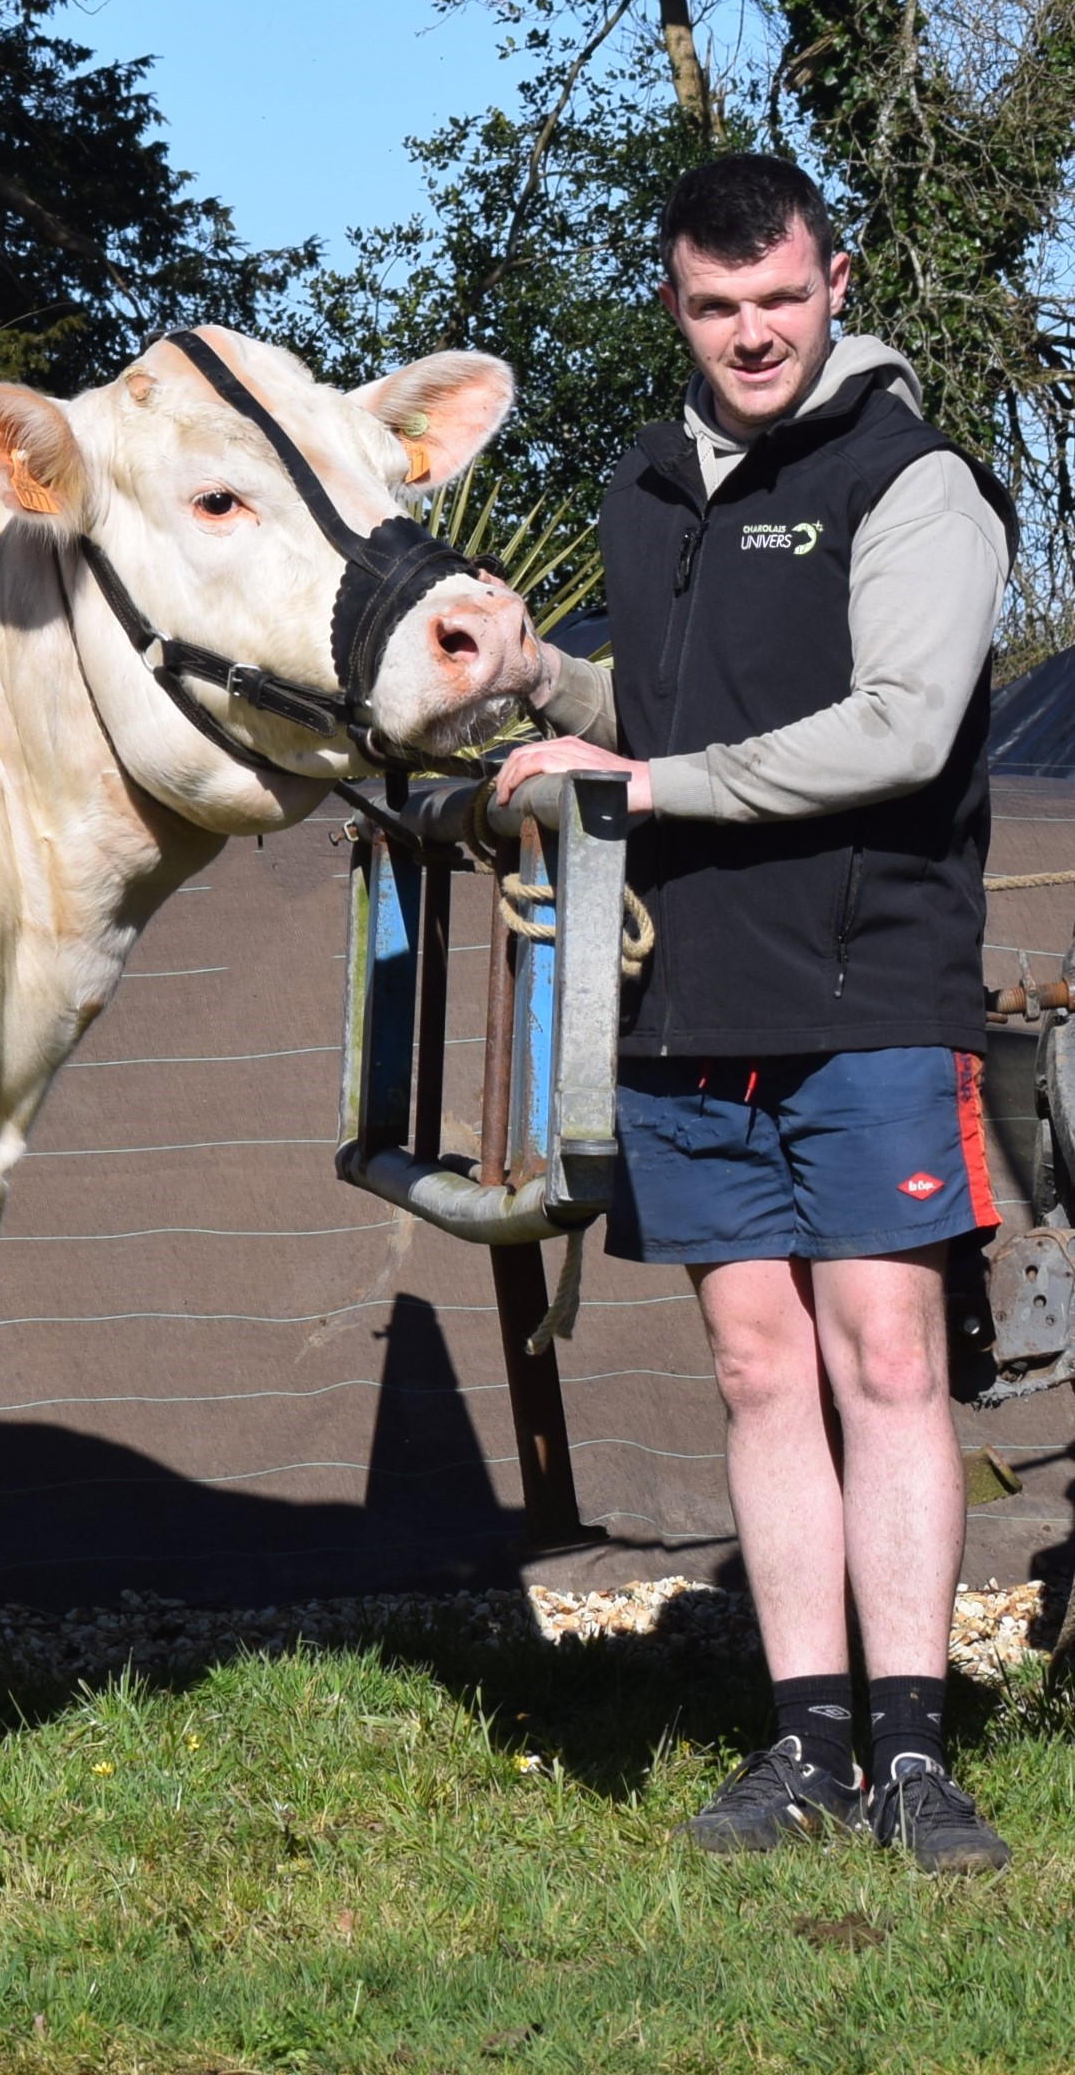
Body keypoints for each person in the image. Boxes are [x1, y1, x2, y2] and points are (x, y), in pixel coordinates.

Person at [497, 152, 1014, 1875]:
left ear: (838, 278)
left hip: (873, 985)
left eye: (781, 297)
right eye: (717, 306)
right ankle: (803, 1740)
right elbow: (656, 700)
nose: (752, 332)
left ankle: (917, 1754)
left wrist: (640, 779)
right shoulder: (649, 487)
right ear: (674, 303)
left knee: (886, 1351)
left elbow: (900, 728)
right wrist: (537, 683)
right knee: (753, 1362)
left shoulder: (915, 479)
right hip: (687, 991)